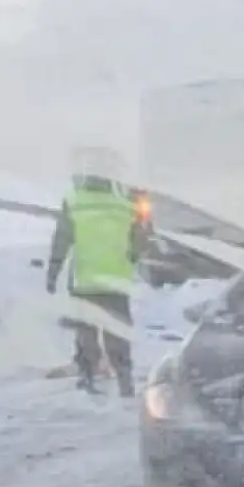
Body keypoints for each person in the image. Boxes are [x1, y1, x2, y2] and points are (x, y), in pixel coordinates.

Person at [45, 161, 141, 396]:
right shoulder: (124, 204)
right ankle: (125, 382)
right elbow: (140, 237)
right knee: (117, 334)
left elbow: (62, 239)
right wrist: (133, 256)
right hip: (116, 282)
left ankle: (88, 378)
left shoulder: (75, 201)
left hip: (85, 282)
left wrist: (53, 271)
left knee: (85, 334)